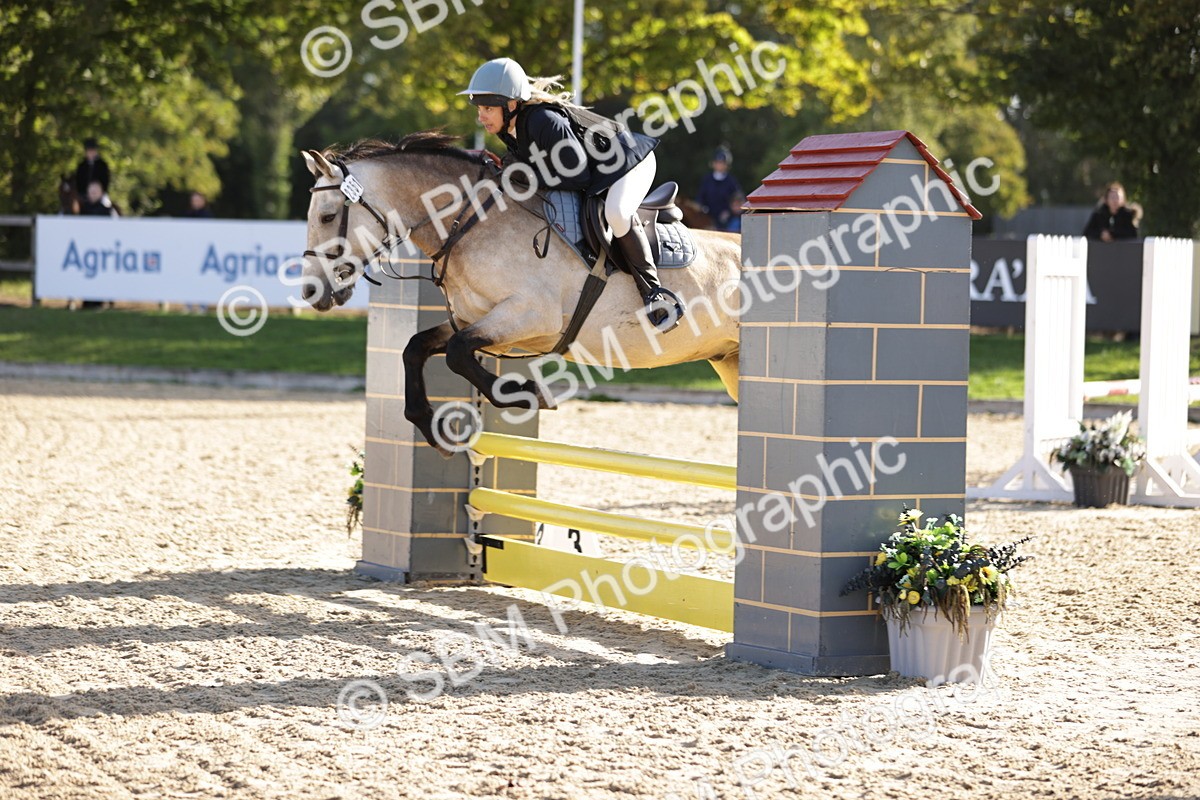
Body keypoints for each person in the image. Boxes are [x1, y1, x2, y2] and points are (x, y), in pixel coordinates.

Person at [459, 57, 684, 331]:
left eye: (486, 108)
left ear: (511, 105)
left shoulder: (544, 120)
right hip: (600, 171)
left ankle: (655, 294)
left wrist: (527, 177)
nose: (480, 116)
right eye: (479, 108)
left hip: (627, 162)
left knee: (617, 213)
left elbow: (577, 176)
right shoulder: (510, 129)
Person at [695, 147, 743, 232]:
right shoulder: (707, 179)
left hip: (726, 219)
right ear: (713, 164)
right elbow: (700, 197)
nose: (719, 165)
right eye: (718, 162)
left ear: (727, 165)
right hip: (708, 217)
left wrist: (729, 212)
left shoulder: (731, 181)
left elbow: (737, 199)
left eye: (722, 163)